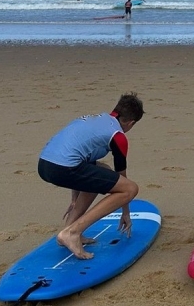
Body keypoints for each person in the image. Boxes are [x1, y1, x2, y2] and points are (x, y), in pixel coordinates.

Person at [37, 93, 144, 260]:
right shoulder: (117, 136)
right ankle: (73, 233)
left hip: (45, 164)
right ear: (131, 123)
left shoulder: (95, 121)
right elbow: (124, 181)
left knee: (102, 173)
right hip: (63, 167)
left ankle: (68, 228)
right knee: (131, 188)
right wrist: (126, 213)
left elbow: (83, 162)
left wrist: (74, 200)